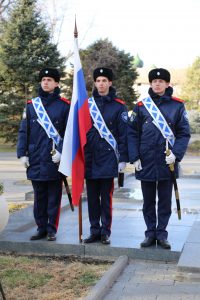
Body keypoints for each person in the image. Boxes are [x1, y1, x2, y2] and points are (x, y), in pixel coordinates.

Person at [128, 68, 190, 249]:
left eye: (161, 81)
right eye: (154, 81)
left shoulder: (177, 106)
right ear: (150, 84)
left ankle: (162, 234)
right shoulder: (140, 106)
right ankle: (149, 234)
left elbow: (184, 134)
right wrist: (135, 157)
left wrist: (176, 155)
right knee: (147, 201)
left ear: (167, 84)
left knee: (164, 201)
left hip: (167, 162)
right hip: (145, 161)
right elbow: (132, 133)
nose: (157, 84)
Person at [17, 67, 70, 241]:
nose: (46, 82)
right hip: (36, 158)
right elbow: (24, 131)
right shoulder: (32, 106)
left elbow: (70, 133)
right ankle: (40, 228)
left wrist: (62, 152)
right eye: (43, 80)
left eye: (49, 80)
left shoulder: (64, 106)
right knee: (39, 198)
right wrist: (22, 153)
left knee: (53, 197)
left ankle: (51, 229)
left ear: (56, 83)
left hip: (54, 160)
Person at [83, 67, 128, 245]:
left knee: (105, 198)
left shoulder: (119, 106)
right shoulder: (86, 105)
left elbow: (124, 134)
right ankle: (94, 230)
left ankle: (105, 231)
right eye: (98, 81)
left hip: (109, 158)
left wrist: (123, 158)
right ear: (94, 83)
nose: (101, 84)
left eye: (104, 80)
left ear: (110, 83)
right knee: (92, 198)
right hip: (90, 158)